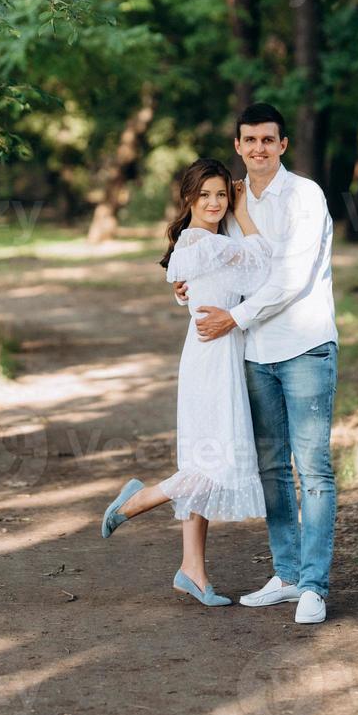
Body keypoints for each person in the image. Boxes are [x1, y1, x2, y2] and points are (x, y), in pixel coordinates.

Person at [176, 103, 338, 624]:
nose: (259, 149)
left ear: (283, 145)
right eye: (249, 140)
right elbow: (215, 268)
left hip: (305, 346)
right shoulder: (231, 197)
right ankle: (287, 575)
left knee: (311, 468)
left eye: (268, 140)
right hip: (253, 354)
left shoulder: (305, 196)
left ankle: (314, 584)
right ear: (238, 145)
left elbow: (290, 278)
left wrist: (235, 318)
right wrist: (186, 293)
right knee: (273, 470)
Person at [101, 158, 271, 607]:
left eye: (221, 195)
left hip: (215, 355)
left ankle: (192, 570)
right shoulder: (206, 241)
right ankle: (136, 502)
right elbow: (264, 265)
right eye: (207, 195)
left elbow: (196, 291)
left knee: (207, 459)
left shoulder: (204, 243)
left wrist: (185, 291)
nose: (215, 203)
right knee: (211, 463)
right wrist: (243, 212)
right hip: (212, 361)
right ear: (189, 199)